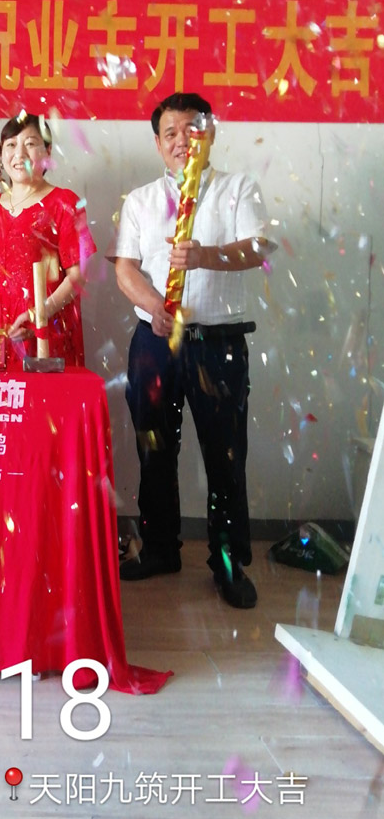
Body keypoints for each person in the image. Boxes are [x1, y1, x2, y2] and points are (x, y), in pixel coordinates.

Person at [111, 92, 275, 609]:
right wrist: (154, 306)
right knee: (154, 446)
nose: (182, 140)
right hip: (155, 342)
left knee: (225, 453)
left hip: (217, 343)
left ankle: (228, 562)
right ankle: (161, 547)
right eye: (170, 133)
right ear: (158, 144)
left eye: (192, 129)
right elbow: (125, 268)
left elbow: (258, 248)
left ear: (210, 132)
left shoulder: (237, 188)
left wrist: (207, 255)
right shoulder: (140, 201)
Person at [0, 112, 96, 366]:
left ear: (48, 152)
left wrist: (37, 316)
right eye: (11, 145)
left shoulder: (64, 203)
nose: (19, 154)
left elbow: (78, 276)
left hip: (49, 338)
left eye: (30, 144)